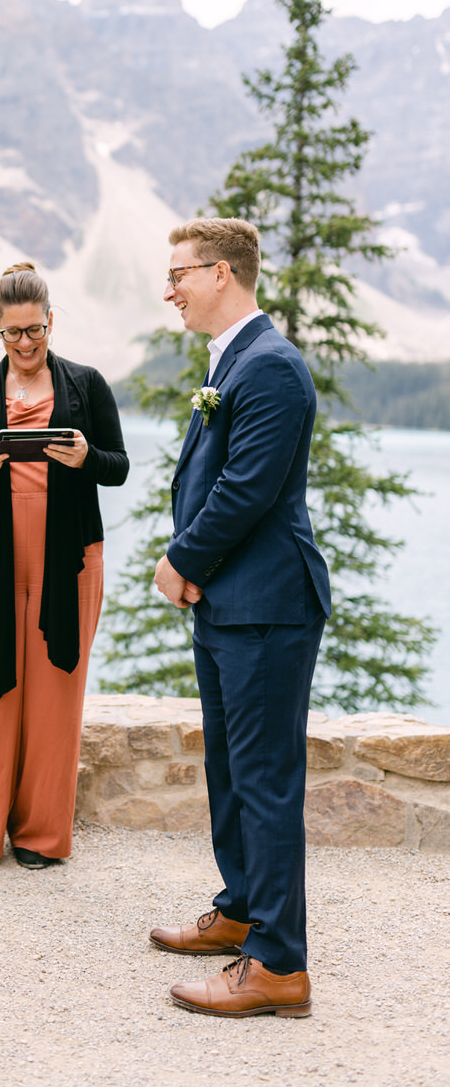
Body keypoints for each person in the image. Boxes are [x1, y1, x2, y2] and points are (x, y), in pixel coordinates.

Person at [150, 219, 330, 1018]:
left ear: (222, 272)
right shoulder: (237, 361)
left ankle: (279, 965)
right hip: (231, 604)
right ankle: (243, 909)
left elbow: (247, 490)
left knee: (264, 782)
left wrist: (182, 561)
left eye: (180, 273)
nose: (171, 289)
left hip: (266, 607)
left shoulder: (274, 369)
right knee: (230, 770)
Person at [0, 262, 129, 871]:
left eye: (35, 330)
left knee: (54, 697)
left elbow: (118, 464)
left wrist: (83, 456)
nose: (25, 343)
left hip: (68, 557)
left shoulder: (87, 385)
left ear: (51, 321)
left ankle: (43, 836)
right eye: (12, 332)